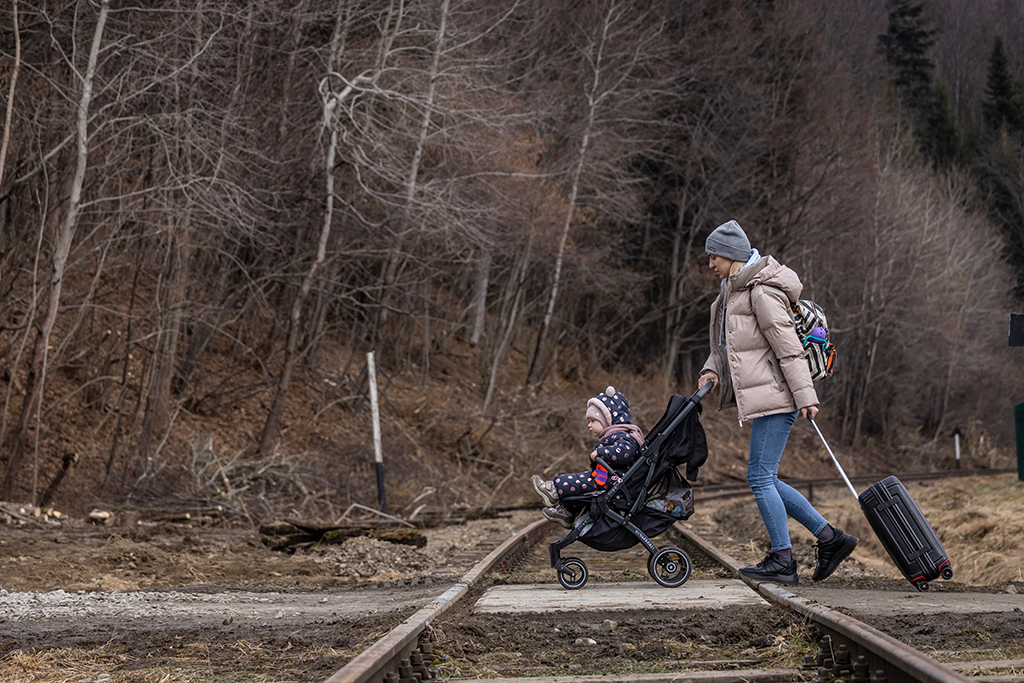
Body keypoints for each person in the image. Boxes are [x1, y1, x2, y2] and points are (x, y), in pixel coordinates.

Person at [697, 219, 857, 585]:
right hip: (768, 395)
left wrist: (806, 397)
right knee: (764, 476)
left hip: (780, 396)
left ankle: (783, 559)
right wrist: (711, 369)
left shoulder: (762, 293)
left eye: (714, 257)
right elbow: (724, 347)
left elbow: (788, 350)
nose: (710, 265)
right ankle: (831, 539)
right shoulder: (731, 293)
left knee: (759, 477)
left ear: (732, 257)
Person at [531, 386, 645, 529]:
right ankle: (566, 512)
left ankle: (553, 489)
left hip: (615, 482)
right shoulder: (615, 435)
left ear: (607, 421)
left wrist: (602, 453)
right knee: (582, 485)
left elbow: (625, 452)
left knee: (577, 481)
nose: (589, 425)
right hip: (609, 479)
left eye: (593, 421)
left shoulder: (624, 435)